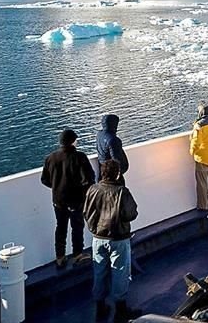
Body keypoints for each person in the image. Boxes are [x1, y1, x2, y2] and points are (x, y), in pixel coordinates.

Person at [84, 159, 141, 323]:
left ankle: (100, 308)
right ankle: (120, 310)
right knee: (120, 272)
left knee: (99, 272)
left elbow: (86, 212)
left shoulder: (92, 190)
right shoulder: (122, 192)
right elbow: (131, 214)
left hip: (98, 238)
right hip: (118, 238)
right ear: (117, 174)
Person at [41, 129, 95, 269]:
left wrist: (57, 187)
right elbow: (88, 179)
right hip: (75, 200)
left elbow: (44, 180)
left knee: (61, 227)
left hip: (58, 200)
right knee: (77, 227)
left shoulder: (50, 158)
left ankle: (60, 256)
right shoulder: (79, 157)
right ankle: (77, 254)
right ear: (72, 141)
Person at [96, 114, 129, 184]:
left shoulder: (99, 134)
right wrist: (120, 172)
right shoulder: (113, 140)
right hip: (113, 176)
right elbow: (116, 160)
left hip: (102, 172)